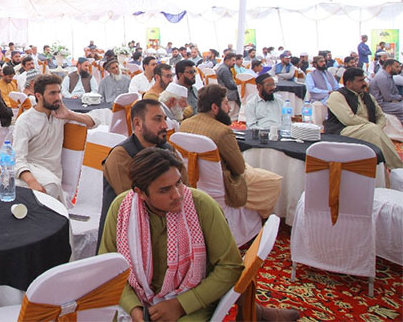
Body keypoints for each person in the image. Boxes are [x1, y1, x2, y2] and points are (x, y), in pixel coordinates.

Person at [99, 148, 298, 322]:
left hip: (192, 297)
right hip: (135, 298)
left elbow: (230, 267)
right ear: (140, 194)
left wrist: (180, 305)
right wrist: (133, 308)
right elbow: (107, 267)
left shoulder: (201, 205)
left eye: (178, 183)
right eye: (165, 190)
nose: (177, 194)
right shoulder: (122, 208)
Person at [180, 85, 282, 217]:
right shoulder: (223, 132)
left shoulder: (185, 124)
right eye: (226, 104)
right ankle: (263, 218)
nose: (229, 109)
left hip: (195, 182)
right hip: (223, 184)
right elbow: (239, 168)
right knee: (273, 180)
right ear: (215, 108)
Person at [13, 74, 95, 205]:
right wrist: (32, 181)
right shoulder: (25, 120)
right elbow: (17, 157)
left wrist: (69, 114)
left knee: (50, 186)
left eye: (58, 92)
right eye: (52, 93)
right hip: (30, 170)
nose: (57, 97)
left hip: (53, 175)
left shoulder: (60, 115)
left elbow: (93, 122)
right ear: (38, 96)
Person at [100, 99, 175, 236]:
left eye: (165, 119)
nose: (165, 126)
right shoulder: (121, 156)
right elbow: (135, 206)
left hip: (168, 226)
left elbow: (184, 191)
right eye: (157, 120)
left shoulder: (168, 150)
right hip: (127, 232)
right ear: (137, 124)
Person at [326, 68, 403, 169]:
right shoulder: (337, 96)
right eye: (360, 81)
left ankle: (392, 170)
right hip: (342, 130)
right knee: (372, 130)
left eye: (364, 79)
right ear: (349, 83)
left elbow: (381, 116)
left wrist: (378, 127)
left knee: (374, 131)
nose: (364, 83)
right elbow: (349, 120)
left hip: (368, 130)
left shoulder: (367, 96)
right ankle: (398, 168)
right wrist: (372, 126)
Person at [215, 53, 240, 118]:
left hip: (224, 90)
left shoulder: (223, 67)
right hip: (228, 93)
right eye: (233, 60)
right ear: (227, 60)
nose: (234, 62)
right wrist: (239, 86)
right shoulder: (224, 69)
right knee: (233, 114)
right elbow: (230, 84)